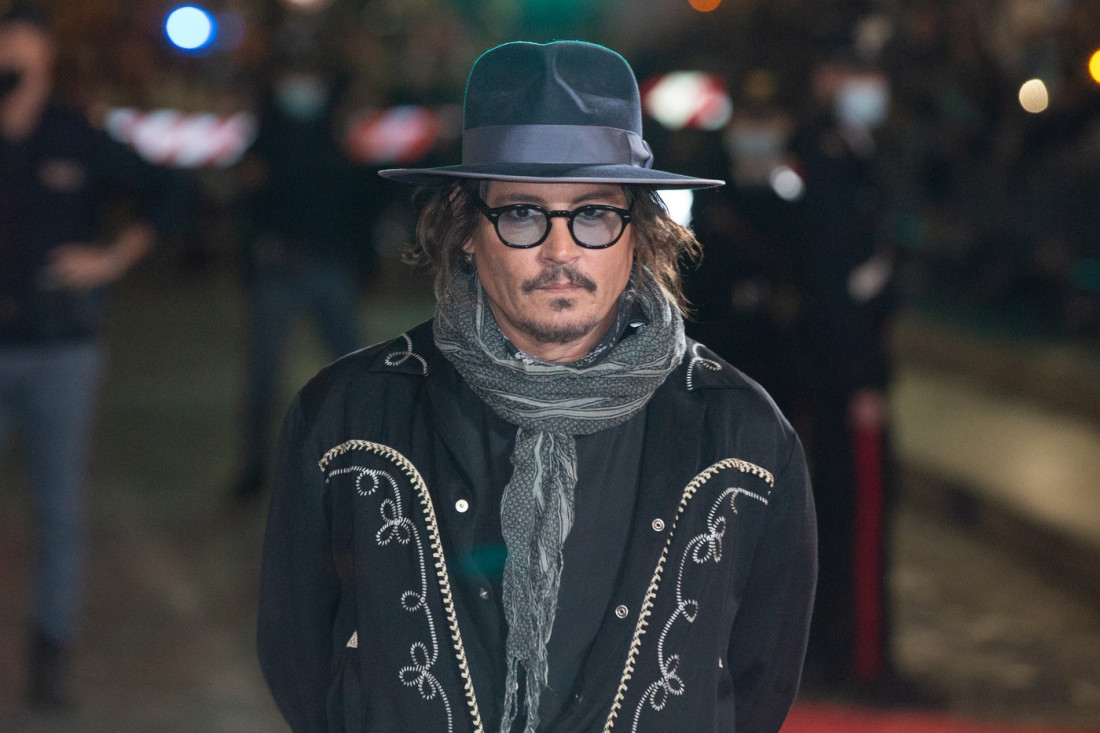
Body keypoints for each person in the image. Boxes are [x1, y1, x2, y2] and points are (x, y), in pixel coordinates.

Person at [258, 40, 817, 732]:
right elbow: (299, 660)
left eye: (594, 214)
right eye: (522, 212)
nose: (561, 251)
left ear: (639, 231)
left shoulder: (741, 436)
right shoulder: (349, 418)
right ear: (466, 225)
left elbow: (759, 682)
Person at [0, 1, 178, 712]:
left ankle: (51, 658)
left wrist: (112, 258)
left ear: (45, 52)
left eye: (20, 42)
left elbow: (168, 191)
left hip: (60, 347)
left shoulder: (74, 134)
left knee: (59, 509)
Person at [784, 49, 902, 701]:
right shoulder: (831, 160)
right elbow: (834, 284)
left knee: (850, 513)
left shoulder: (853, 155)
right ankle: (861, 659)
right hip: (847, 375)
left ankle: (844, 652)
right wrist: (859, 379)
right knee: (858, 514)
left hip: (846, 368)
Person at [229, 50, 379, 503]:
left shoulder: (340, 131)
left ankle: (368, 463)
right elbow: (248, 202)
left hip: (330, 264)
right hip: (279, 270)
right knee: (264, 375)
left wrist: (361, 259)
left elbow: (362, 198)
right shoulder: (266, 133)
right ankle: (254, 467)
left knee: (352, 371)